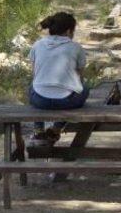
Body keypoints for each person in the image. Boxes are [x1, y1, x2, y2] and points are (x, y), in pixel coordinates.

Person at [29, 12, 88, 145]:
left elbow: (35, 74)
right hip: (65, 102)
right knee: (84, 87)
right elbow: (80, 77)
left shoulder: (37, 45)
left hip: (40, 101)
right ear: (68, 31)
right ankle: (56, 128)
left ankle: (38, 130)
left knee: (34, 85)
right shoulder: (76, 48)